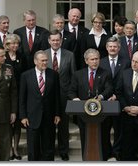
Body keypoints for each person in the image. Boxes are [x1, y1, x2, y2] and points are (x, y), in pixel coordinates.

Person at [68, 48, 113, 161]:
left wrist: (101, 97)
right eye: (92, 59)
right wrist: (75, 99)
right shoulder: (78, 74)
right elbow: (71, 91)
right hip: (84, 114)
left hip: (101, 113)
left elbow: (109, 88)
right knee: (85, 137)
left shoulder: (105, 73)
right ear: (86, 61)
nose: (95, 61)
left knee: (102, 139)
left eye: (97, 59)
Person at [19, 50, 61, 161]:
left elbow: (57, 96)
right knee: (33, 148)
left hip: (49, 116)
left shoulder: (54, 74)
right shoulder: (26, 76)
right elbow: (22, 98)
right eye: (42, 60)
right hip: (32, 117)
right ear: (35, 61)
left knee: (48, 147)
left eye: (46, 60)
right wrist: (23, 116)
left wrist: (57, 114)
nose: (45, 63)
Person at [45, 30, 76, 161]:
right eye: (53, 40)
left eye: (58, 40)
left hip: (64, 95)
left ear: (61, 40)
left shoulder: (70, 55)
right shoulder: (43, 54)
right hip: (47, 96)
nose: (55, 42)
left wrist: (71, 94)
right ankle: (49, 150)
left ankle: (64, 150)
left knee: (63, 126)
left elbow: (73, 76)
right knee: (48, 125)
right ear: (49, 41)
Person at [99, 36, 130, 160]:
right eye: (110, 46)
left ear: (119, 48)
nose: (112, 48)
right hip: (105, 101)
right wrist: (106, 95)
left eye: (115, 46)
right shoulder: (101, 61)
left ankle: (117, 151)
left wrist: (116, 95)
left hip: (119, 99)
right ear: (107, 48)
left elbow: (127, 80)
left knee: (119, 128)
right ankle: (106, 152)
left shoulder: (127, 61)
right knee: (105, 128)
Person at [3, 34, 27, 160]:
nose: (15, 45)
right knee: (7, 123)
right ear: (7, 45)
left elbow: (26, 73)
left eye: (17, 43)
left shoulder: (22, 56)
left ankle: (16, 150)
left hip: (19, 92)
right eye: (12, 43)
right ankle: (8, 149)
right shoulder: (3, 57)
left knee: (17, 123)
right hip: (6, 94)